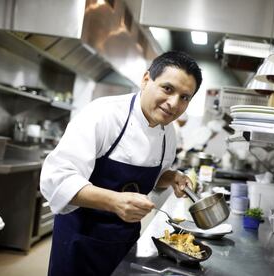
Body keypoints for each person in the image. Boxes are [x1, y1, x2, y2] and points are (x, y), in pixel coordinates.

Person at [40, 51, 202, 276]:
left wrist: (172, 177)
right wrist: (115, 201)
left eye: (185, 97)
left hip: (124, 241)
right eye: (168, 88)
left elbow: (154, 177)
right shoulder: (103, 114)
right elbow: (57, 179)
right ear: (146, 80)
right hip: (80, 239)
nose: (173, 103)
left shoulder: (168, 133)